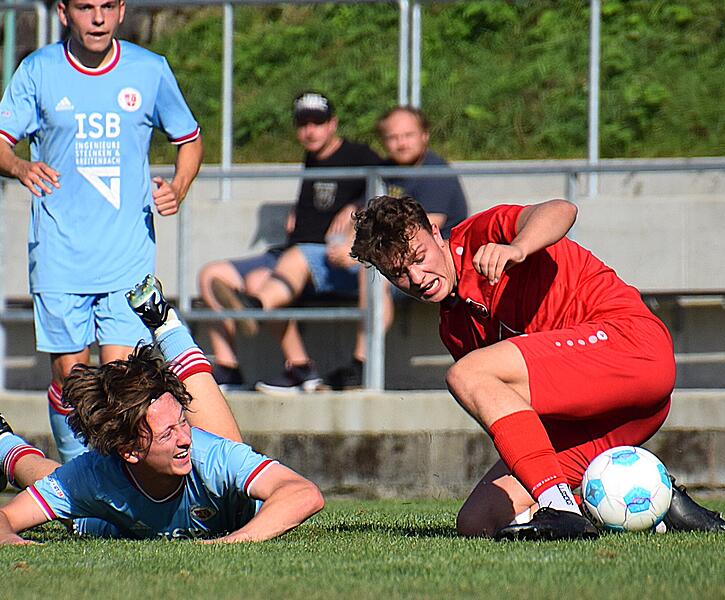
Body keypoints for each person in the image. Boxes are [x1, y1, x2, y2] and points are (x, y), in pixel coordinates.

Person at [350, 195, 725, 541]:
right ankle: (656, 499)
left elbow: (562, 210)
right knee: (479, 519)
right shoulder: (453, 326)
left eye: (418, 258)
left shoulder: (482, 235)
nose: (415, 278)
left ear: (436, 232)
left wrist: (517, 248)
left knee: (467, 374)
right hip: (617, 417)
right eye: (398, 274)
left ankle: (562, 510)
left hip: (632, 346)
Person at [0, 0, 203, 462]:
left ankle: (116, 488)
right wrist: (17, 165)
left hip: (126, 256)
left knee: (123, 384)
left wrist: (178, 186)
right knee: (71, 383)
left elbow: (188, 138)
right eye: (86, 7)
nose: (97, 18)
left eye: (107, 6)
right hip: (59, 253)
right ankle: (77, 474)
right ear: (63, 12)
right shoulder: (39, 70)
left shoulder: (149, 70)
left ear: (121, 10)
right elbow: (1, 139)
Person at [0, 276, 323, 543]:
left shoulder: (210, 455)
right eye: (168, 433)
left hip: (212, 495)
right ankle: (3, 443)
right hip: (112, 523)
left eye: (182, 422)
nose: (185, 437)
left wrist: (229, 542)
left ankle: (164, 324)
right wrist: (12, 540)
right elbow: (6, 518)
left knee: (226, 442)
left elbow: (303, 494)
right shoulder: (92, 477)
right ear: (129, 451)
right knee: (57, 482)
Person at [198, 91, 381, 391]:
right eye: (303, 123)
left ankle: (285, 349)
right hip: (291, 252)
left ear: (333, 124)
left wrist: (356, 206)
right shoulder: (312, 156)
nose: (310, 130)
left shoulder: (358, 155)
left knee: (260, 281)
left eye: (318, 123)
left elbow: (389, 186)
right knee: (211, 275)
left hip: (324, 259)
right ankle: (229, 367)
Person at [322, 106, 468, 390]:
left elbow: (417, 239)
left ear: (424, 136)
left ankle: (362, 364)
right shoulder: (386, 173)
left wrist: (356, 257)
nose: (401, 143)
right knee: (300, 260)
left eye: (408, 135)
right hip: (383, 259)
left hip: (424, 267)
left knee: (371, 276)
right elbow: (367, 219)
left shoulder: (436, 175)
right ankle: (298, 367)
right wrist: (350, 213)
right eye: (392, 137)